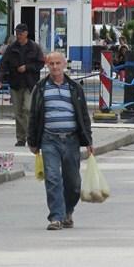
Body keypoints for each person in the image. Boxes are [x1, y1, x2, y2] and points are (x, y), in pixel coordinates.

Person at [27, 51, 94, 231]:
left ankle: (68, 211)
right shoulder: (40, 88)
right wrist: (32, 141)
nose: (55, 67)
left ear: (64, 65)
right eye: (51, 64)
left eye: (58, 63)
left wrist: (88, 140)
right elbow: (33, 115)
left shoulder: (74, 88)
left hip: (71, 140)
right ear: (47, 66)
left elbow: (83, 116)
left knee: (73, 183)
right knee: (53, 178)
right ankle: (56, 217)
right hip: (49, 140)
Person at [0, 23, 45, 147]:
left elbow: (40, 64)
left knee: (27, 109)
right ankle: (21, 139)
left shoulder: (35, 47)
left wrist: (27, 67)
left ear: (26, 34)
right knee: (18, 113)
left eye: (21, 33)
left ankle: (30, 136)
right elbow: (3, 64)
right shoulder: (11, 48)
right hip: (16, 83)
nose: (18, 36)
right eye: (17, 33)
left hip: (30, 83)